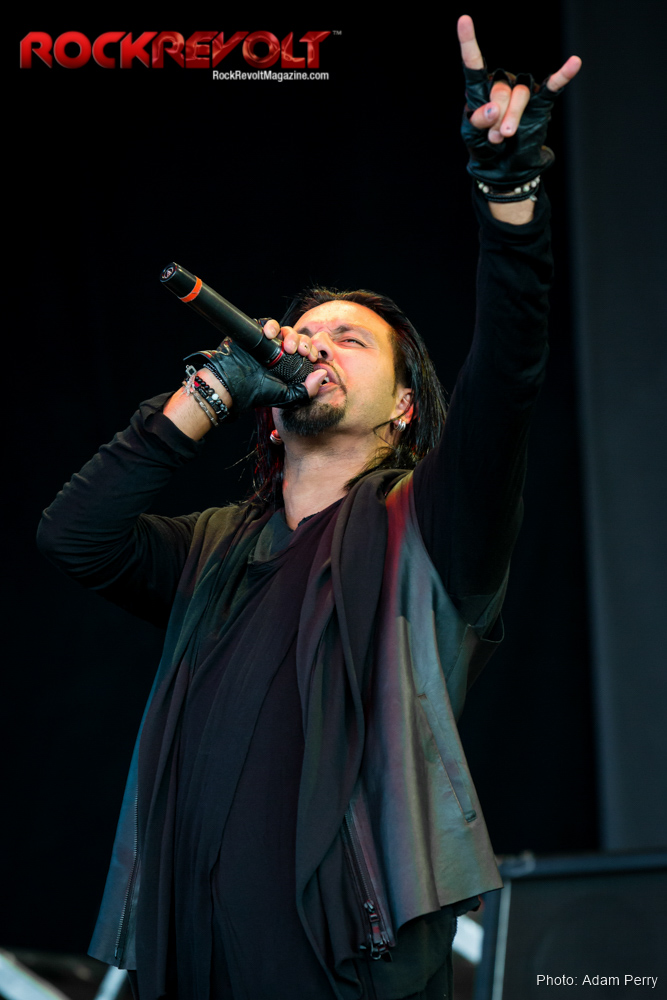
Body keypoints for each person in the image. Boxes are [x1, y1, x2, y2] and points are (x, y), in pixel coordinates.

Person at [37, 17, 581, 1000]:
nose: (316, 344)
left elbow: (509, 368)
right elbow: (75, 535)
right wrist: (209, 391)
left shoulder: (428, 528)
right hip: (189, 957)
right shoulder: (215, 548)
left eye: (351, 340)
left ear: (403, 406)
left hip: (341, 959)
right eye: (304, 332)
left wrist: (507, 189)